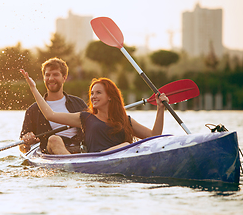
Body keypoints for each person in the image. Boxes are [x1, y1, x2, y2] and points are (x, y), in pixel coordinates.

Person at [20, 69, 169, 154]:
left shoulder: (126, 120)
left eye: (98, 93)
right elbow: (50, 115)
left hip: (120, 159)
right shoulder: (85, 118)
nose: (93, 96)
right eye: (92, 93)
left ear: (110, 96)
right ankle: (71, 168)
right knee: (124, 145)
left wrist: (160, 109)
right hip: (95, 161)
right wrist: (33, 88)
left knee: (125, 145)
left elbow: (154, 137)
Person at [19, 57, 87, 154]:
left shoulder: (78, 103)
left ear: (64, 78)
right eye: (47, 75)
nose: (51, 78)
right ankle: (72, 165)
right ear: (44, 78)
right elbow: (22, 147)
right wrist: (26, 142)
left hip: (80, 150)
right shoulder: (33, 110)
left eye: (55, 74)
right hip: (51, 152)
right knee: (54, 139)